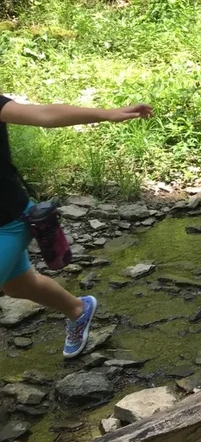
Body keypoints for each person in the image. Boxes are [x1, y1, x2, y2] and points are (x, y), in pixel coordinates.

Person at [0, 96, 152, 358]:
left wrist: (106, 113)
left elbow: (44, 114)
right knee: (17, 285)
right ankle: (78, 309)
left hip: (8, 223)